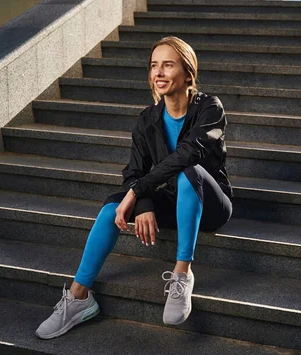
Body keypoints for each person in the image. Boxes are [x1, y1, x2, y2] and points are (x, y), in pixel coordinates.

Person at [35, 36, 233, 339]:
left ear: (187, 73)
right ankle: (78, 297)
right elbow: (133, 172)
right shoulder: (147, 119)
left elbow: (186, 155)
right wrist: (142, 203)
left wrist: (138, 191)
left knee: (187, 171)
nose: (159, 73)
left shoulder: (209, 108)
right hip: (170, 196)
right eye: (154, 66)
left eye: (168, 65)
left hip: (210, 203)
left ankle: (182, 274)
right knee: (113, 206)